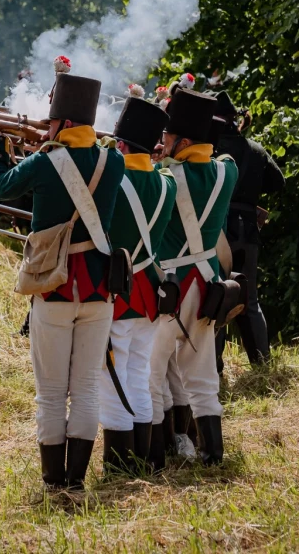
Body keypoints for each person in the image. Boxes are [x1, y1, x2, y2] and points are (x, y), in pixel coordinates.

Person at [0, 72, 125, 492]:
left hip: (54, 287)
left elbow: (0, 187)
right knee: (85, 389)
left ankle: (53, 483)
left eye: (50, 122)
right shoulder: (112, 160)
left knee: (50, 394)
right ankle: (76, 483)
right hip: (100, 291)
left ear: (61, 122)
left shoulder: (46, 159)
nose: (46, 128)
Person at [147, 88, 238, 467]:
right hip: (208, 287)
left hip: (169, 288)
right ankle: (212, 455)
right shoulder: (226, 171)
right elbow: (222, 159)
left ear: (183, 141)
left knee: (149, 374)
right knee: (202, 376)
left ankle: (152, 457)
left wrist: (152, 161)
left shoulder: (164, 177)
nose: (161, 142)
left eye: (167, 136)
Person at [97, 94, 176, 473]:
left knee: (112, 378)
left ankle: (119, 464)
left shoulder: (112, 178)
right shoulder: (167, 184)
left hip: (117, 291)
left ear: (122, 144)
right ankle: (148, 456)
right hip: (149, 291)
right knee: (139, 375)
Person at [211, 92, 285, 367]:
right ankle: (262, 363)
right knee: (249, 300)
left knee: (217, 296)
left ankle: (213, 366)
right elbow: (278, 183)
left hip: (221, 230)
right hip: (249, 230)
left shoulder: (213, 149)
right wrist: (250, 195)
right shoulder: (255, 149)